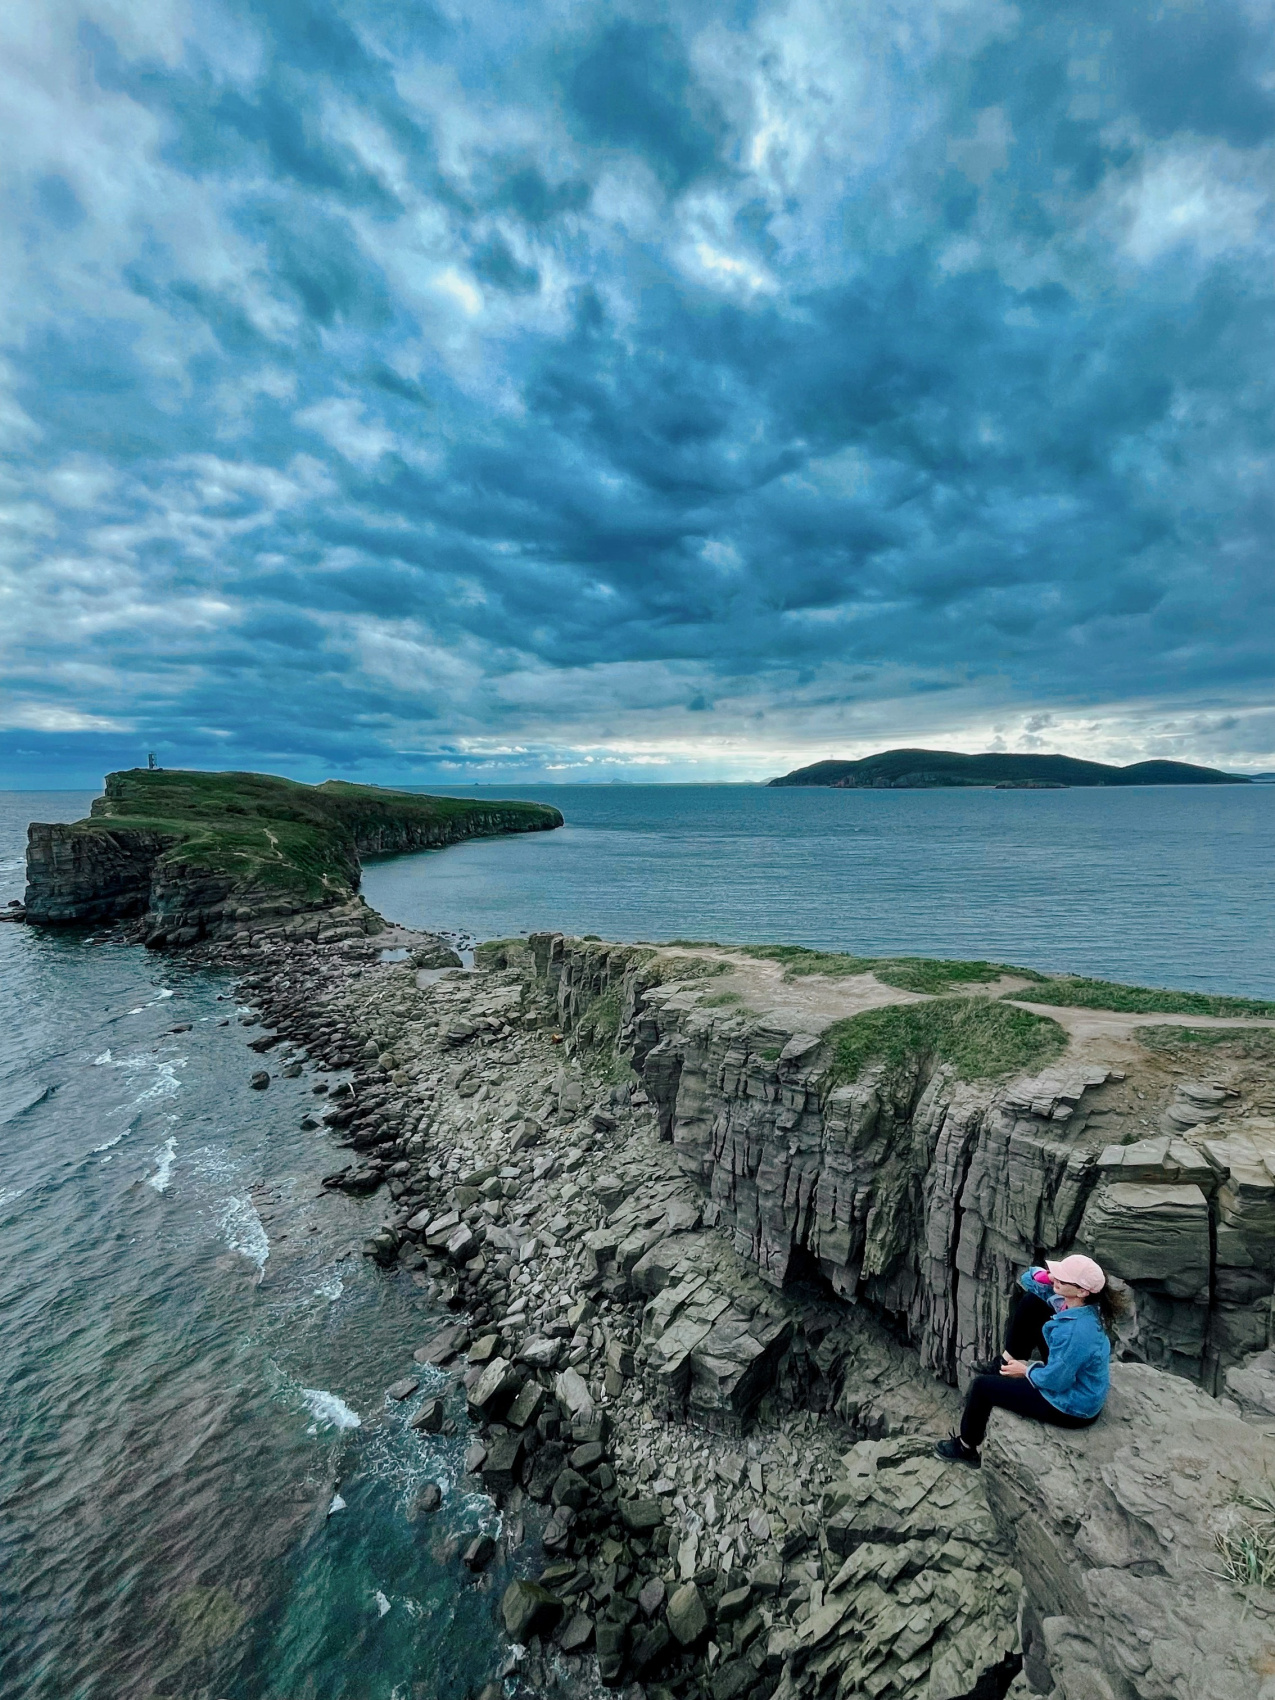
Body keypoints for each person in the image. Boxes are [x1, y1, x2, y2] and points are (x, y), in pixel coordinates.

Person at [935, 1254, 1125, 1467]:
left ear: (1082, 1291)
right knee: (1033, 1302)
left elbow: (1056, 1382)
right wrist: (1047, 1276)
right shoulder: (1080, 1304)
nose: (1056, 1280)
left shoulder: (1077, 1334)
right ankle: (1006, 1361)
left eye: (1063, 1279)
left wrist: (1026, 1371)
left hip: (1073, 1405)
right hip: (1067, 1372)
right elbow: (1028, 1280)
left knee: (982, 1387)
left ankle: (966, 1447)